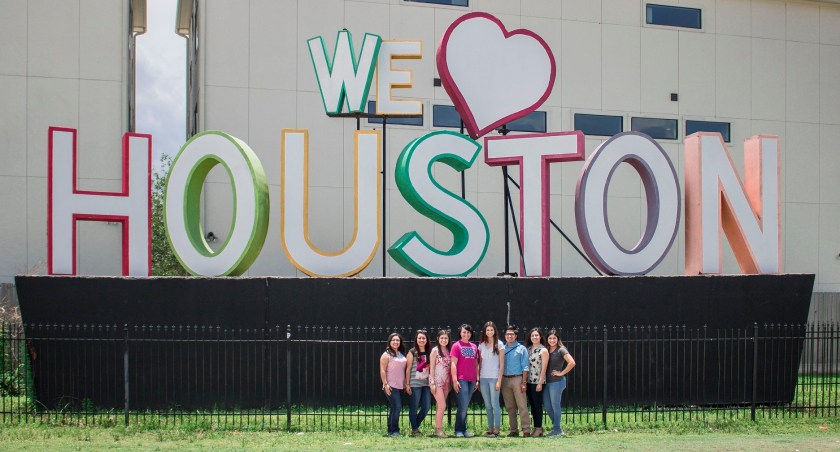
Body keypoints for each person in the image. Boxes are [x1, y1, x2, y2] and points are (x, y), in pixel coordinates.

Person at [543, 329, 575, 436]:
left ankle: (556, 429)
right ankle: (557, 428)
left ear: (558, 339)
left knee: (555, 405)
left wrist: (561, 373)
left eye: (554, 338)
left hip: (557, 382)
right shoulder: (546, 349)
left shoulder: (561, 350)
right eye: (550, 338)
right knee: (547, 406)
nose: (552, 340)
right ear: (547, 339)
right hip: (546, 382)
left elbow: (572, 362)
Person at [500, 325, 531, 437]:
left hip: (518, 379)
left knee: (522, 405)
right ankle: (514, 429)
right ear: (505, 336)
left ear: (516, 335)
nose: (510, 336)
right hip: (505, 379)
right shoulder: (502, 348)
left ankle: (526, 430)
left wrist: (523, 382)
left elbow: (525, 367)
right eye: (508, 334)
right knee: (510, 407)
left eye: (512, 334)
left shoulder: (521, 348)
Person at [450, 324, 479, 438]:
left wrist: (477, 379)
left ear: (471, 334)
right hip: (461, 379)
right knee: (463, 405)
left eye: (468, 332)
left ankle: (463, 429)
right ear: (460, 333)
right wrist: (455, 379)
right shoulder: (456, 346)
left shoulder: (474, 346)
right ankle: (458, 430)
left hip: (472, 379)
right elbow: (453, 363)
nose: (466, 334)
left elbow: (476, 364)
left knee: (465, 405)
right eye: (464, 332)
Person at [478, 321, 505, 437]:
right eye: (487, 330)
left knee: (495, 404)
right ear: (485, 331)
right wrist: (478, 379)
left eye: (491, 330)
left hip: (494, 377)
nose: (489, 332)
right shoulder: (481, 345)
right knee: (487, 404)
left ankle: (497, 428)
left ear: (495, 331)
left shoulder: (499, 344)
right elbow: (480, 362)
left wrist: (499, 380)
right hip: (483, 378)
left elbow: (502, 364)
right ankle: (490, 428)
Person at [379, 332, 407, 437]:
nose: (395, 342)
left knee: (395, 407)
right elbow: (382, 371)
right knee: (397, 406)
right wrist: (385, 384)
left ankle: (391, 430)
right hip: (391, 385)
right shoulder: (386, 355)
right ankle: (394, 430)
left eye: (398, 340)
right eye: (393, 340)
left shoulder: (400, 354)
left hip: (400, 386)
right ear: (389, 342)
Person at [405, 329, 431, 436]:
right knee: (414, 407)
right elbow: (408, 368)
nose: (421, 340)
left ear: (426, 340)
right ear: (416, 339)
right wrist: (407, 384)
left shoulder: (430, 351)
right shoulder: (412, 352)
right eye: (419, 338)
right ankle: (415, 430)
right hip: (414, 384)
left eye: (423, 338)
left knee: (426, 406)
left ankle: (414, 426)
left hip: (426, 384)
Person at [526, 327, 549, 437]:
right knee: (532, 405)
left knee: (537, 405)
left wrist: (540, 383)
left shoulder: (543, 350)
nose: (534, 337)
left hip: (537, 382)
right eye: (532, 335)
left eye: (536, 335)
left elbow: (544, 368)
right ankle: (535, 428)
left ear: (540, 337)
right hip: (529, 381)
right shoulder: (529, 349)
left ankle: (538, 428)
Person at [429, 329, 452, 438]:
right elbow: (432, 368)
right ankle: (439, 430)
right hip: (437, 382)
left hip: (446, 382)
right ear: (438, 339)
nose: (444, 340)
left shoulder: (449, 350)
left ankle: (437, 428)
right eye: (442, 338)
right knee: (442, 405)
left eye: (446, 338)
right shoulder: (435, 350)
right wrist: (432, 382)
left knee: (440, 406)